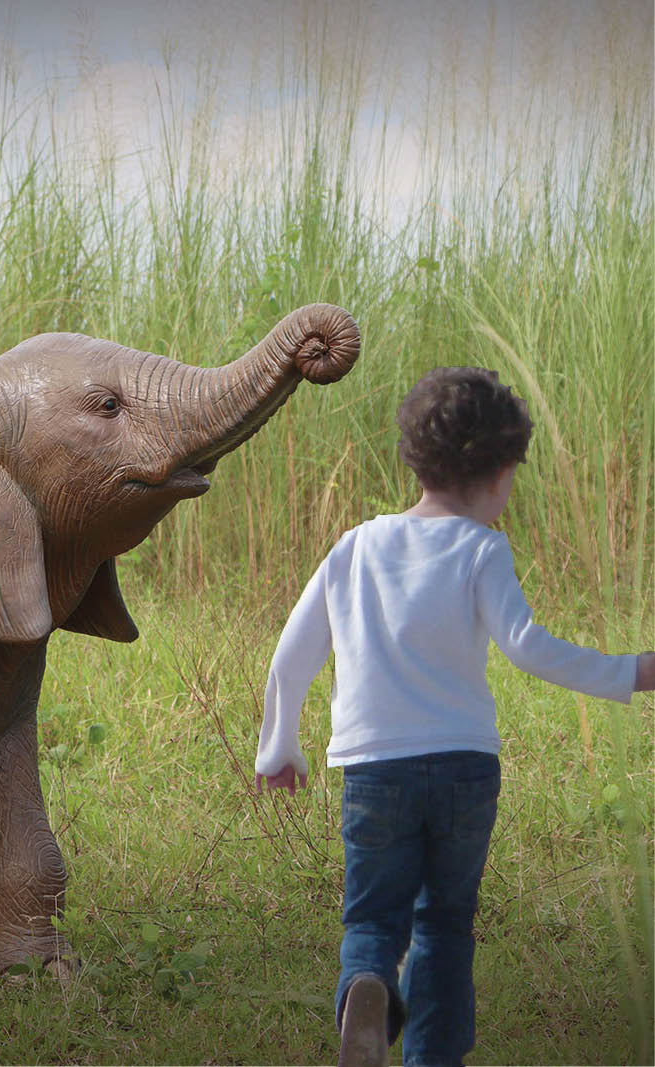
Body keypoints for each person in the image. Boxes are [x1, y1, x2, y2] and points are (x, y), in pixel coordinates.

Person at [253, 366, 655, 1067]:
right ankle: (433, 1056)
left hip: (374, 769)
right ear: (499, 473)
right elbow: (527, 647)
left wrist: (278, 747)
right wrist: (630, 671)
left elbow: (291, 658)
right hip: (464, 768)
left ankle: (367, 987)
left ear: (415, 459)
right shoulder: (481, 548)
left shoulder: (355, 546)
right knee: (443, 922)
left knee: (372, 917)